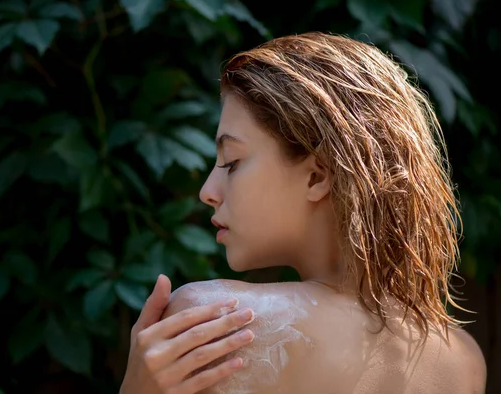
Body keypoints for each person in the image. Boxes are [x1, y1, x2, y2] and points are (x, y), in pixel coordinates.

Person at [120, 32, 487, 394]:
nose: (207, 193)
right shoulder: (463, 361)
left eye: (231, 162)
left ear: (317, 175)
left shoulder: (214, 324)